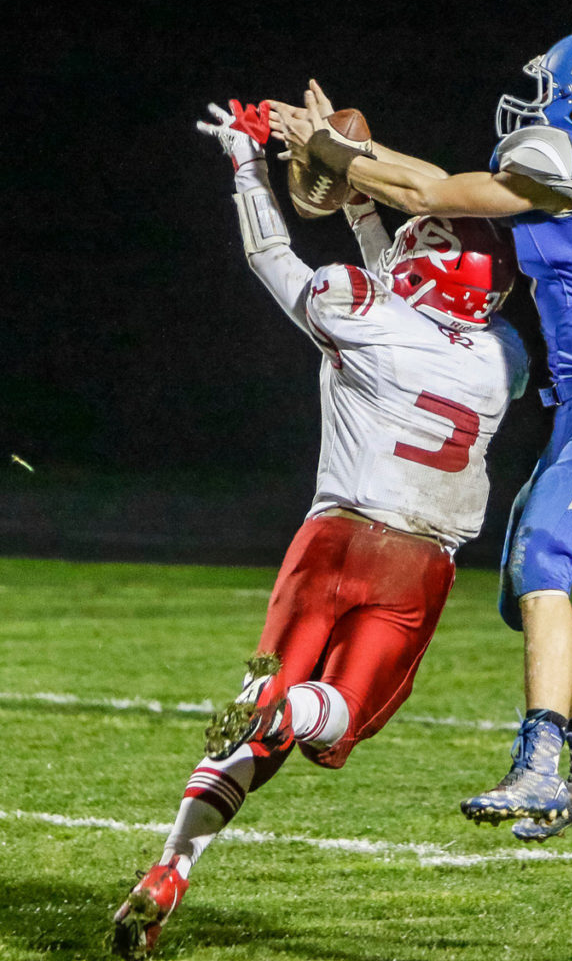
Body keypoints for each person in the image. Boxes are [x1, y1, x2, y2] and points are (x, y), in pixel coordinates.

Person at [111, 100, 529, 957]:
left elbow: (273, 253)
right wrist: (359, 195)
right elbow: (417, 290)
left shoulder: (360, 311)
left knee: (252, 720)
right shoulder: (498, 364)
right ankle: (288, 709)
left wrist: (243, 161)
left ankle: (171, 868)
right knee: (335, 721)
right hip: (416, 562)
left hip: (328, 544)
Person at [268, 30, 572, 843]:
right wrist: (347, 147)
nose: (530, 100)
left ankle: (540, 767)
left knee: (542, 569)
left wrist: (331, 152)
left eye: (548, 86)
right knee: (524, 590)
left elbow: (429, 195)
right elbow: (436, 186)